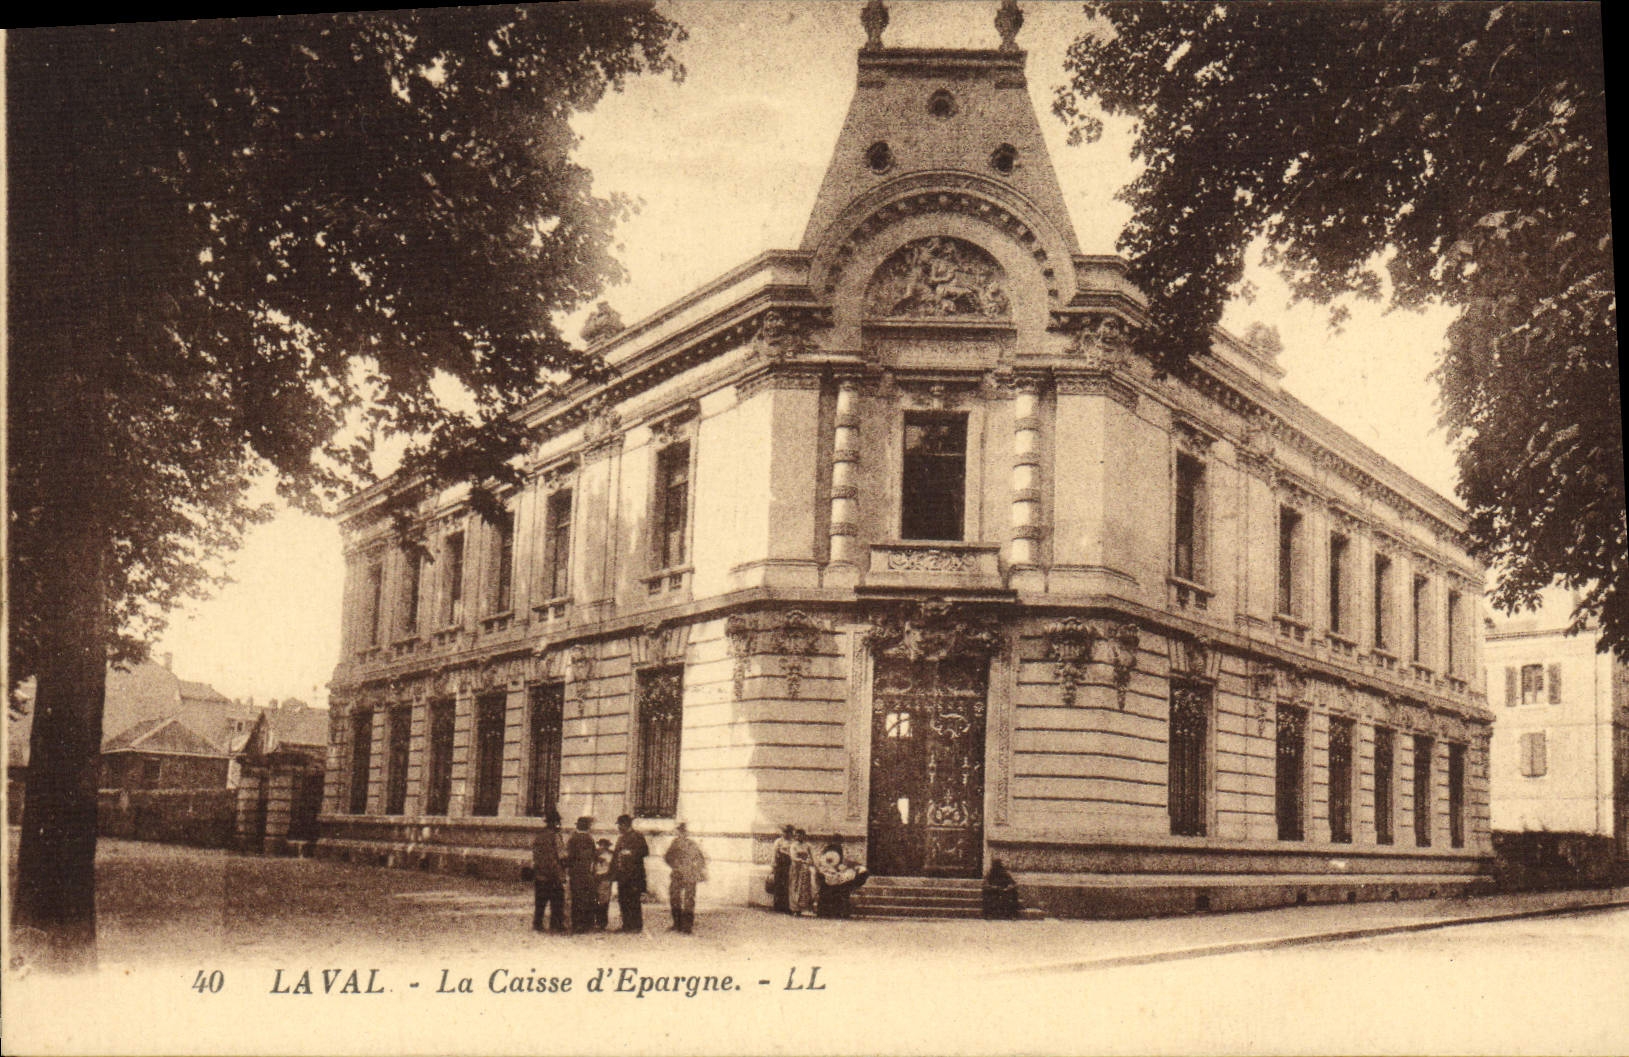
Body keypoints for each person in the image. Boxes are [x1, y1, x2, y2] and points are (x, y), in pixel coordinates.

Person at [664, 822, 707, 934]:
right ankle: (678, 924)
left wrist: (693, 869)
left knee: (688, 901)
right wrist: (675, 865)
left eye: (682, 832)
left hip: (688, 876)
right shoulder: (675, 844)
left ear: (685, 833)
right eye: (679, 831)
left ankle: (687, 927)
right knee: (675, 899)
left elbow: (701, 860)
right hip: (678, 875)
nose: (681, 834)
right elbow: (667, 857)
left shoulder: (690, 844)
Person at [531, 809, 567, 933]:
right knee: (557, 901)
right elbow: (561, 855)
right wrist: (563, 869)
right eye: (558, 822)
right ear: (555, 822)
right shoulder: (556, 836)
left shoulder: (539, 836)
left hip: (540, 873)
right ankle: (556, 925)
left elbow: (535, 854)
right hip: (554, 874)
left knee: (540, 902)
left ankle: (538, 924)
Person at [612, 814, 650, 933]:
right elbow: (616, 855)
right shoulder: (621, 838)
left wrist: (630, 853)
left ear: (625, 825)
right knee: (623, 900)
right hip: (622, 875)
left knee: (633, 900)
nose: (618, 828)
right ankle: (626, 925)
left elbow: (645, 851)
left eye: (619, 825)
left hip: (634, 875)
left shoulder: (637, 836)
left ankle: (636, 926)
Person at [813, 842, 869, 919]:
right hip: (831, 881)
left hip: (840, 882)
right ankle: (831, 912)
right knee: (830, 891)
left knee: (840, 892)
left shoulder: (846, 863)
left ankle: (836, 912)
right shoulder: (826, 860)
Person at [565, 816, 598, 934]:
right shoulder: (590, 839)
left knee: (577, 898)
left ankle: (577, 924)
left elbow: (570, 856)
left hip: (576, 873)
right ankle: (587, 924)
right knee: (586, 898)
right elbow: (594, 855)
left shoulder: (573, 839)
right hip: (587, 872)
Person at [787, 828, 816, 916]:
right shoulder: (793, 845)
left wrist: (812, 862)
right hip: (796, 868)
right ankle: (794, 909)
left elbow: (812, 856)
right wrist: (801, 860)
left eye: (800, 835)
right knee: (795, 886)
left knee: (803, 887)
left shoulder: (807, 845)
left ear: (804, 836)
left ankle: (802, 908)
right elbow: (793, 857)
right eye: (797, 835)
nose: (798, 837)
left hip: (804, 869)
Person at [769, 824, 795, 913]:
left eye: (788, 832)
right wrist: (773, 866)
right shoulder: (778, 841)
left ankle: (787, 906)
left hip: (789, 865)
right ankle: (777, 906)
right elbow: (774, 854)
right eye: (785, 832)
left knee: (788, 885)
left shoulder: (793, 842)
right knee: (779, 885)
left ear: (791, 833)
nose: (786, 834)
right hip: (780, 866)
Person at [593, 839, 615, 931]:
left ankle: (602, 923)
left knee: (604, 902)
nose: (602, 847)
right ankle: (595, 922)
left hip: (605, 879)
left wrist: (609, 876)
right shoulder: (595, 854)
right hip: (595, 878)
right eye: (601, 845)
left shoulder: (611, 855)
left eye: (604, 845)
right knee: (595, 900)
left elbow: (613, 868)